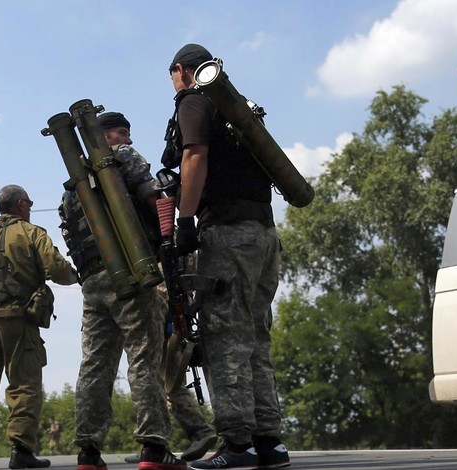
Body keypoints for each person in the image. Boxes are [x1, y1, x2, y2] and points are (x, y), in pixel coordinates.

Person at [166, 43, 290, 470]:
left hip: (228, 234)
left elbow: (193, 154)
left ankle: (237, 444)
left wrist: (184, 220)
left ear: (180, 70)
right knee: (256, 336)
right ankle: (269, 442)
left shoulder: (195, 99)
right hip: (265, 235)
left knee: (224, 336)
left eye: (172, 78)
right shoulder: (238, 110)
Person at [59, 111, 186, 470]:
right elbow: (155, 198)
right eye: (119, 132)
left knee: (94, 366)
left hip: (94, 283)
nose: (126, 138)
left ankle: (87, 451)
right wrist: (169, 240)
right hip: (131, 273)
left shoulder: (74, 183)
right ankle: (154, 448)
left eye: (128, 132)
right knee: (144, 358)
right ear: (101, 136)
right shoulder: (124, 160)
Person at [0, 184, 79, 470]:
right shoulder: (32, 233)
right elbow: (57, 269)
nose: (31, 209)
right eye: (29, 203)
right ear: (21, 205)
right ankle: (21, 451)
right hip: (17, 320)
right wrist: (77, 275)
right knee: (23, 383)